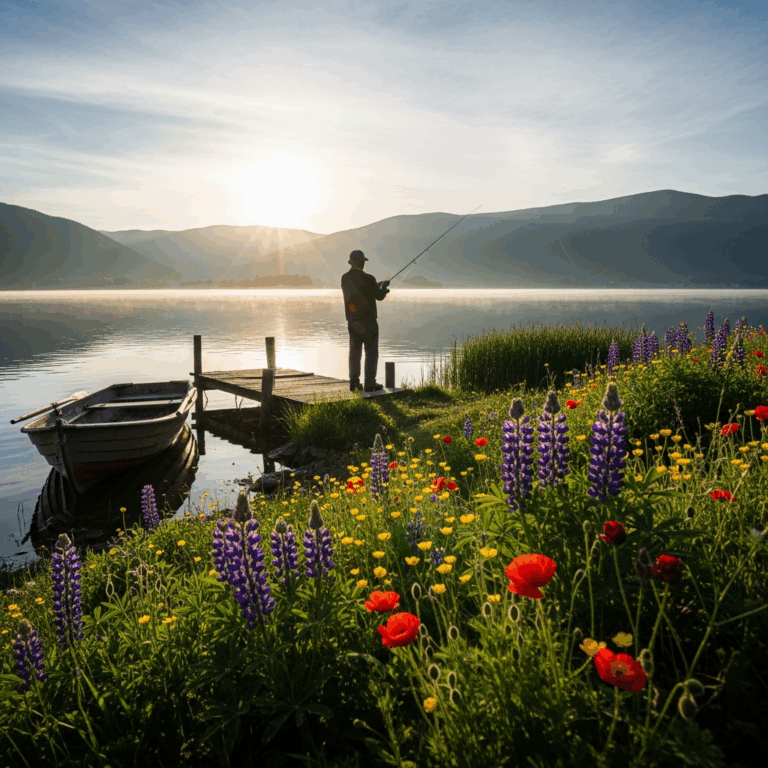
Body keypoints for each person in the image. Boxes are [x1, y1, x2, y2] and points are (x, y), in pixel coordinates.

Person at [341, 250, 390, 392]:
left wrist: (377, 284)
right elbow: (379, 296)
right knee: (371, 352)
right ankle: (369, 383)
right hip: (369, 322)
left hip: (352, 321)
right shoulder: (369, 278)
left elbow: (359, 288)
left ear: (351, 262)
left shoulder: (345, 278)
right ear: (362, 262)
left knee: (354, 353)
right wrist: (384, 288)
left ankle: (354, 383)